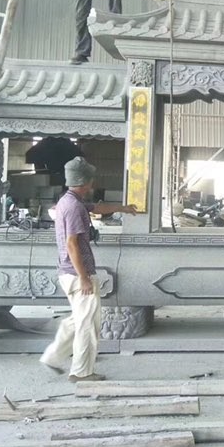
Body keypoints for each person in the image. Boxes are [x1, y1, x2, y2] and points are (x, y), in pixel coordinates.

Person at [40, 157, 137, 382]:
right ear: (85, 182)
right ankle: (81, 372)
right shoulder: (74, 208)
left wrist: (122, 208)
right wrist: (84, 277)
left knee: (79, 318)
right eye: (91, 179)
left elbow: (97, 207)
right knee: (88, 325)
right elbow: (72, 244)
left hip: (68, 272)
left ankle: (52, 357)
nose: (93, 183)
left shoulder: (68, 201)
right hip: (77, 274)